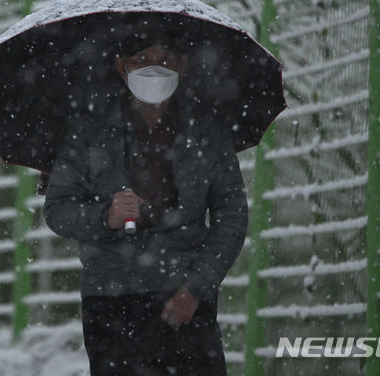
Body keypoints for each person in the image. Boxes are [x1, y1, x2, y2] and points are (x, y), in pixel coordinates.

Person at [43, 40, 248, 375]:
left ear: (182, 66)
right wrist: (105, 216)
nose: (155, 68)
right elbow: (57, 210)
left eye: (166, 59)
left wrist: (196, 288)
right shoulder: (89, 131)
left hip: (184, 301)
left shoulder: (208, 132)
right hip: (111, 302)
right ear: (121, 66)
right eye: (142, 59)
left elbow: (233, 217)